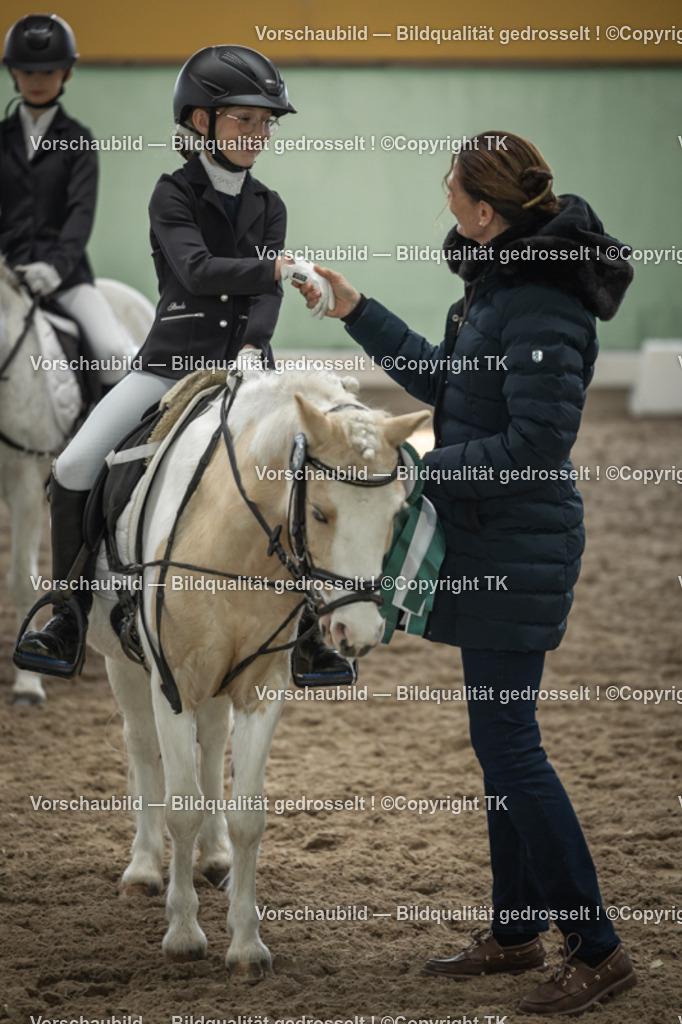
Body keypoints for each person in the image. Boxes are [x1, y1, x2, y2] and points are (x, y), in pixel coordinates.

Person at [293, 132, 637, 1016]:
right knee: (500, 749)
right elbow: (448, 384)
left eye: (449, 182)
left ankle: (597, 948)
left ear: (483, 210)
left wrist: (418, 471)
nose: (440, 189)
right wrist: (355, 308)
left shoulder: (545, 305)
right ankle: (519, 932)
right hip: (494, 547)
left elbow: (531, 449)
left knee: (513, 749)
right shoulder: (500, 284)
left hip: (522, 546)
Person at [14, 43, 352, 688]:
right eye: (244, 120)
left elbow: (263, 296)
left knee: (302, 470)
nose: (258, 134)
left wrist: (255, 346)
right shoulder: (172, 194)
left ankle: (310, 626)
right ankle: (66, 610)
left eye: (266, 123)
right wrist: (277, 266)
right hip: (170, 363)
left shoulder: (269, 206)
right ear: (201, 122)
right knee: (75, 465)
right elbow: (196, 271)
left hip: (248, 368)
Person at [0, 13, 136, 387]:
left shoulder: (78, 139)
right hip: (4, 273)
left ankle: (101, 441)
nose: (37, 81)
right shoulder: (2, 138)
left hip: (66, 277)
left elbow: (81, 213)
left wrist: (55, 267)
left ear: (67, 73)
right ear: (13, 73)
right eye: (28, 72)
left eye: (48, 72)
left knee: (111, 352)